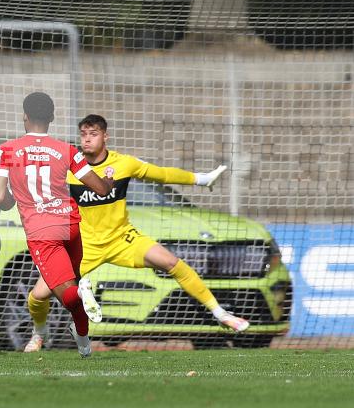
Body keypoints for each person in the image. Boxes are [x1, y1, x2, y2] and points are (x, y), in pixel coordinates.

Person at [23, 114, 246, 352]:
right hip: (85, 244)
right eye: (84, 134)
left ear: (105, 136)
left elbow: (162, 174)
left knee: (173, 263)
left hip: (122, 238)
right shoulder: (70, 167)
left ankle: (220, 313)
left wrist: (201, 179)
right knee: (37, 296)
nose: (87, 140)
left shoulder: (124, 164)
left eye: (93, 134)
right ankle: (39, 332)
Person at [0, 93, 114, 357]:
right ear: (52, 118)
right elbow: (101, 189)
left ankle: (79, 325)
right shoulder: (66, 150)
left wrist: (14, 200)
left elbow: (0, 198)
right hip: (70, 226)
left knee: (69, 296)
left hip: (43, 232)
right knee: (40, 295)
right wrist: (109, 182)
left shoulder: (8, 150)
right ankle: (59, 336)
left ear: (24, 116)